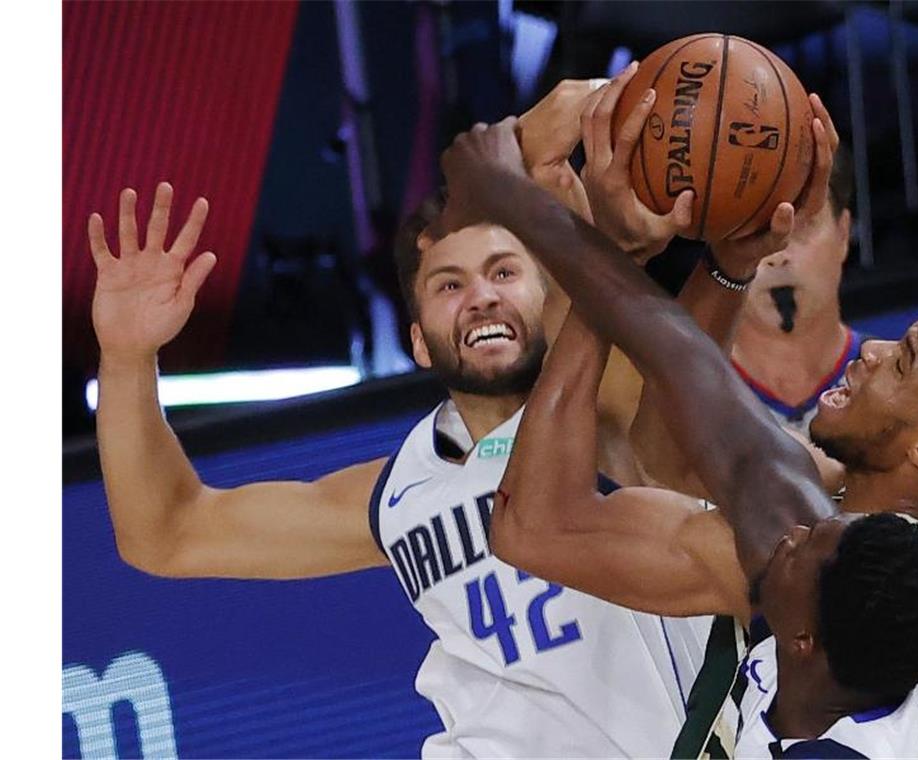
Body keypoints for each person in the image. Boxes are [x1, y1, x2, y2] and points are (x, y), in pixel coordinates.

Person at [85, 71, 720, 757]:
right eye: (450, 285)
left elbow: (587, 272)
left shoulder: (608, 412)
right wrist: (125, 357)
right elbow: (167, 534)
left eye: (504, 273)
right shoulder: (398, 492)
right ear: (417, 342)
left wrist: (538, 142)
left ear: (550, 299)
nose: (480, 296)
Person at [433, 112, 918, 758]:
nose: (875, 349)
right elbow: (668, 449)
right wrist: (728, 268)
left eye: (902, 363)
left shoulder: (810, 564)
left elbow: (533, 525)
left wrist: (514, 194)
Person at [679, 139, 918, 756]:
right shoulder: (684, 410)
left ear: (845, 233)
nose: (776, 249)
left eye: (799, 222)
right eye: (752, 219)